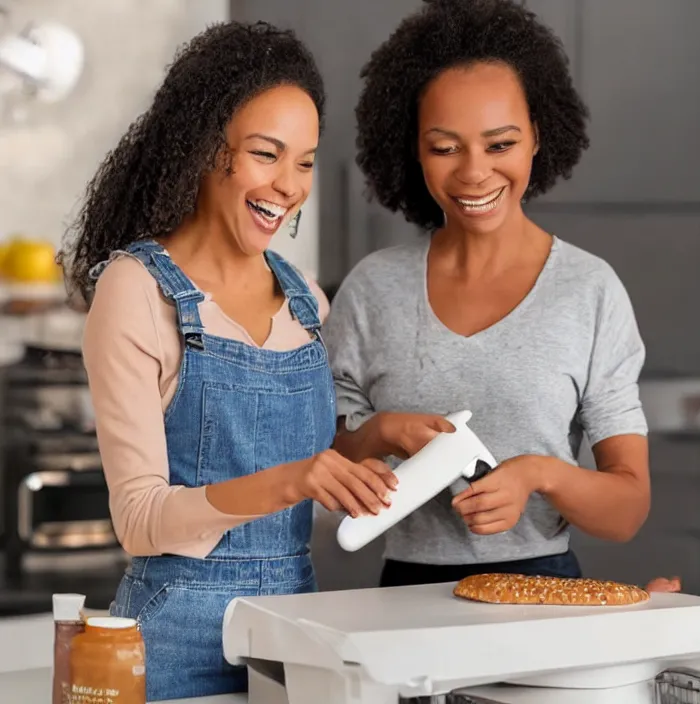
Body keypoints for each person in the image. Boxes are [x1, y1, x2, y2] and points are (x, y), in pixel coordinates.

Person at [60, 21, 396, 701]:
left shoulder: (307, 304)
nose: (290, 185)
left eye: (304, 161)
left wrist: (379, 449)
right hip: (171, 640)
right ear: (206, 146)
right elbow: (141, 519)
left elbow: (310, 485)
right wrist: (295, 479)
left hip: (295, 628)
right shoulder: (136, 289)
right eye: (267, 154)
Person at [324, 0, 653, 588]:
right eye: (445, 148)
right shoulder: (372, 290)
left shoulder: (589, 291)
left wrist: (540, 475)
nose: (474, 173)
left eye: (500, 144)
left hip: (544, 597)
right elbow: (323, 465)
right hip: (401, 599)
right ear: (413, 150)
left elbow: (627, 509)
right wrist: (381, 433)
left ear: (536, 139)